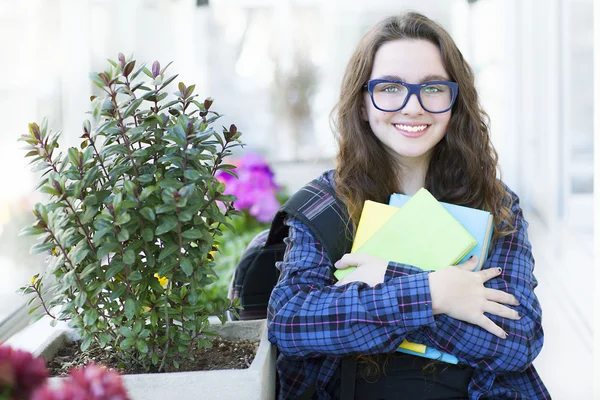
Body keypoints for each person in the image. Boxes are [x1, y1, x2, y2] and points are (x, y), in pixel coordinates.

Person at [267, 12, 550, 400]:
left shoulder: (497, 205)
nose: (413, 107)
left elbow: (518, 341)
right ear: (363, 102)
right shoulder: (326, 204)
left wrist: (387, 276)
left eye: (433, 88)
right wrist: (434, 293)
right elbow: (292, 321)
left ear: (455, 101)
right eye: (390, 88)